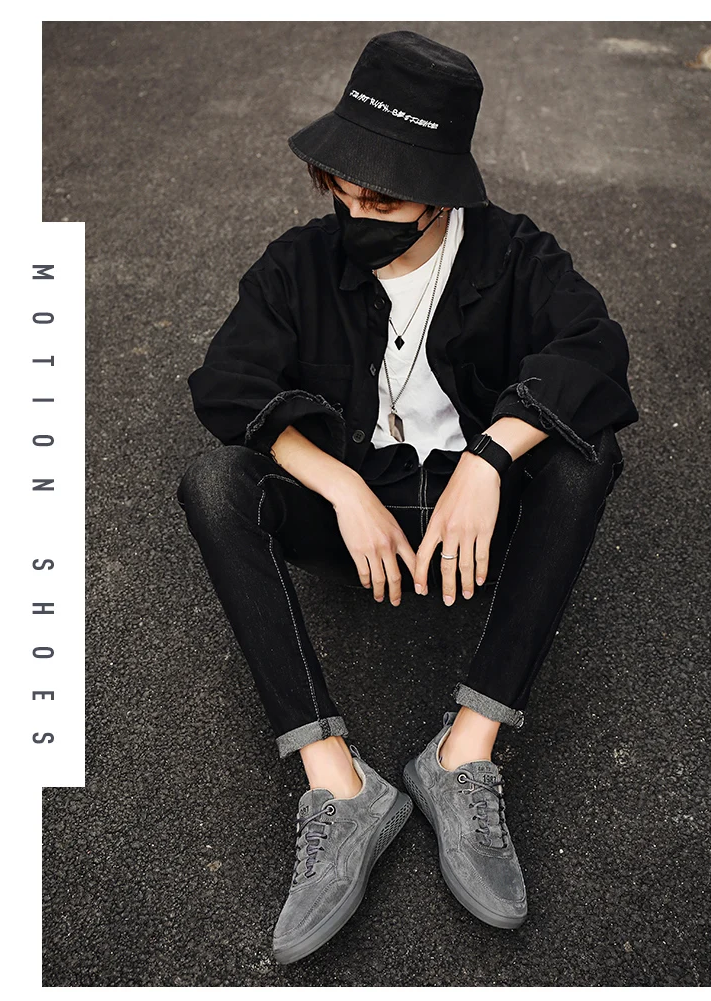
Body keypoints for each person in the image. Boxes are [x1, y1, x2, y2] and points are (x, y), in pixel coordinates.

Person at [177, 30, 639, 965]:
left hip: (477, 511)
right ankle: (341, 788)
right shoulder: (299, 262)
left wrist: (492, 457)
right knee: (214, 483)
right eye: (340, 190)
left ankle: (463, 753)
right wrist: (339, 481)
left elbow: (594, 349)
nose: (356, 213)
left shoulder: (514, 254)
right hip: (361, 510)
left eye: (382, 199)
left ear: (441, 193)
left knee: (587, 455)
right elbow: (227, 382)